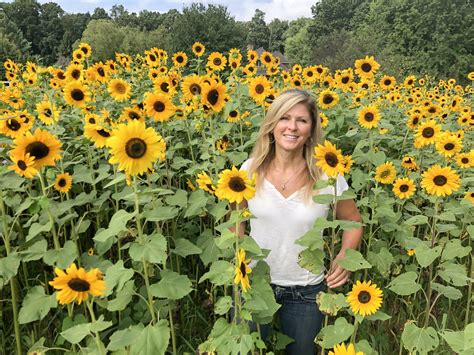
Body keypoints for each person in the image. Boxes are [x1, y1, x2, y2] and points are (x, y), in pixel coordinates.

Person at [238, 88, 363, 354]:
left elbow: (353, 220)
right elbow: (235, 219)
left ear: (311, 129)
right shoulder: (249, 170)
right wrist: (237, 257)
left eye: (302, 120)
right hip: (255, 283)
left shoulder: (327, 176)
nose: (292, 127)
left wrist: (345, 255)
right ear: (272, 124)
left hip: (306, 292)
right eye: (284, 118)